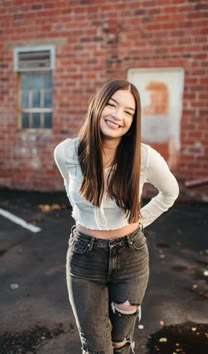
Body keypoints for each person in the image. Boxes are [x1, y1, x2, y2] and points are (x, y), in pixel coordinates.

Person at [54, 79, 179, 354]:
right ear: (97, 106)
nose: (117, 116)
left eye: (128, 112)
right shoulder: (66, 152)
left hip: (130, 256)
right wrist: (82, 213)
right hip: (84, 256)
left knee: (120, 343)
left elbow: (170, 193)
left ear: (133, 121)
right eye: (111, 105)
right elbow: (69, 188)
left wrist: (139, 221)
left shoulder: (144, 157)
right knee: (97, 348)